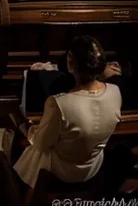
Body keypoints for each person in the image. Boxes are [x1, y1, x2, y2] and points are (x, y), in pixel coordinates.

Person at [14, 36, 122, 190]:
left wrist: (28, 129)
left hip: (62, 170)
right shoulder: (115, 91)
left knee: (29, 141)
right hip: (92, 166)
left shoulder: (59, 103)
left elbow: (41, 143)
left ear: (70, 63)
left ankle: (19, 188)